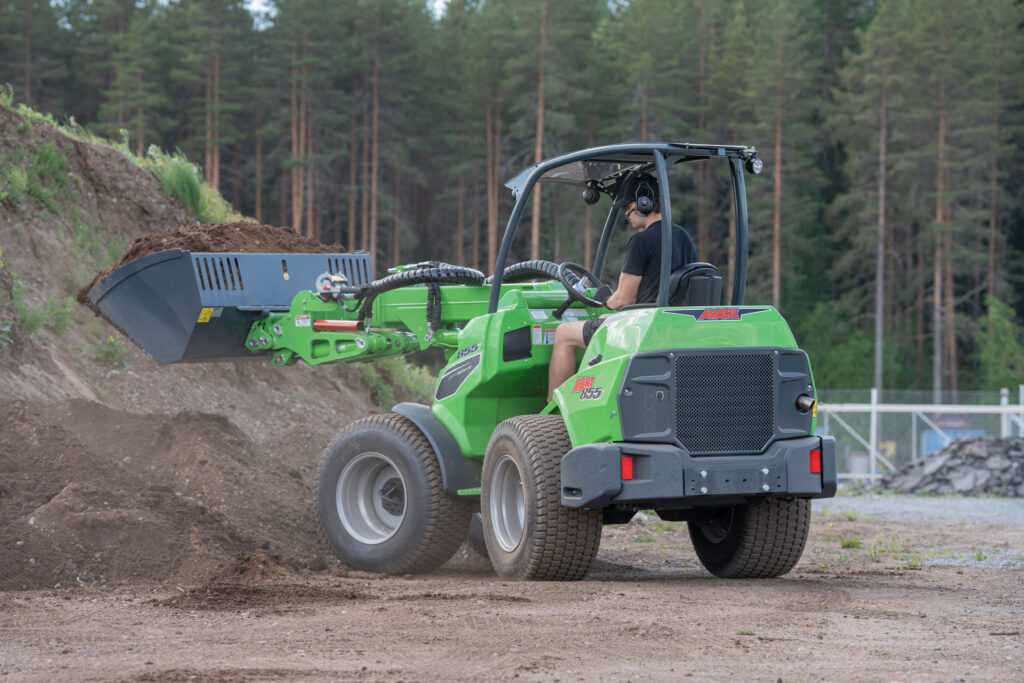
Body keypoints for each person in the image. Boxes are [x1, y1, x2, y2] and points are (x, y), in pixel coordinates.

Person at [546, 173, 699, 402]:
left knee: (564, 334)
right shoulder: (684, 237)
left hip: (642, 327)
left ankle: (553, 409)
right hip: (673, 324)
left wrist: (605, 301)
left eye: (628, 207)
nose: (626, 215)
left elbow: (623, 299)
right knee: (607, 319)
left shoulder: (641, 242)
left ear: (644, 202)